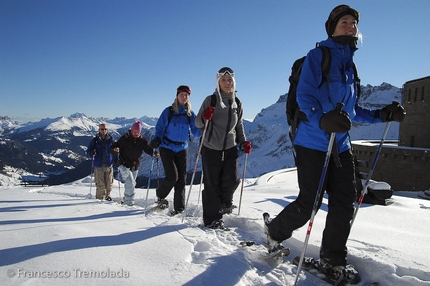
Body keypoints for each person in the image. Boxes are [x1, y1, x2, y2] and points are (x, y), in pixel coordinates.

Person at [263, 4, 406, 283]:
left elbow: (351, 109)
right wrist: (320, 120)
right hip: (312, 142)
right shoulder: (318, 56)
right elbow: (305, 96)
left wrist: (380, 114)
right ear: (332, 27)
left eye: (353, 22)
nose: (350, 26)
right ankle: (274, 232)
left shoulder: (350, 64)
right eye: (344, 22)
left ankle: (332, 258)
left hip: (341, 145)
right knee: (310, 204)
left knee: (344, 203)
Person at [195, 67, 252, 229]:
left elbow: (239, 125)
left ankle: (224, 203)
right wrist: (205, 116)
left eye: (230, 80)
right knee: (212, 185)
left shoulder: (237, 102)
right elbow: (198, 123)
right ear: (218, 82)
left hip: (230, 148)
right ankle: (212, 219)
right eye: (224, 80)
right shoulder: (210, 100)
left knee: (232, 180)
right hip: (211, 148)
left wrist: (243, 142)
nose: (227, 83)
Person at [149, 85, 201, 216]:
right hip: (167, 147)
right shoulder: (169, 111)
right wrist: (157, 139)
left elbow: (196, 131)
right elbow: (160, 127)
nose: (184, 97)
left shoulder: (189, 114)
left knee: (181, 180)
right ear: (177, 96)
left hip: (182, 148)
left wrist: (205, 126)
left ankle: (179, 209)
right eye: (182, 94)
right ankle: (160, 195)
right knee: (173, 177)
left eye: (186, 95)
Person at [110, 121, 158, 206]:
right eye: (134, 132)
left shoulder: (142, 140)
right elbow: (115, 145)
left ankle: (125, 200)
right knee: (130, 182)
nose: (136, 133)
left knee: (131, 184)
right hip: (123, 164)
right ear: (131, 131)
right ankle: (129, 203)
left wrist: (154, 153)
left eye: (138, 132)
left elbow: (148, 148)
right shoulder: (125, 138)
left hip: (135, 166)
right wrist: (115, 149)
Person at [86, 123, 116, 201]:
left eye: (105, 129)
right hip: (99, 165)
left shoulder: (111, 139)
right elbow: (88, 151)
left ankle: (107, 196)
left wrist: (117, 158)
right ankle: (99, 199)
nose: (104, 131)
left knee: (109, 184)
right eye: (102, 129)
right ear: (99, 130)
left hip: (108, 165)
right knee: (100, 185)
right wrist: (91, 153)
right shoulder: (95, 140)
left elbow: (116, 150)